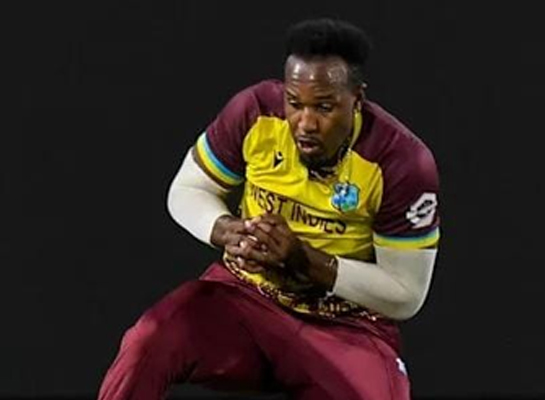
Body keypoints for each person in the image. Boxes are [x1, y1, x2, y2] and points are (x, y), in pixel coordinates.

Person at [98, 18, 440, 400]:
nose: (305, 124)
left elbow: (405, 293)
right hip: (247, 297)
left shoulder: (400, 162)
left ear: (356, 100)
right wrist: (226, 229)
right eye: (295, 103)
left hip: (345, 324)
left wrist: (305, 261)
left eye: (324, 107)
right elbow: (188, 189)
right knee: (148, 341)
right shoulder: (255, 112)